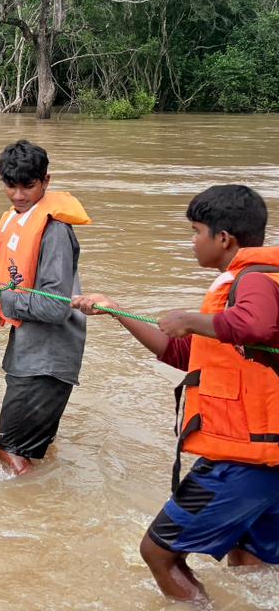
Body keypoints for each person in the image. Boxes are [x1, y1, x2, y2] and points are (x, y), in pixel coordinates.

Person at [73, 185, 279, 603]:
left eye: (195, 231)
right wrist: (114, 309)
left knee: (158, 552)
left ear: (224, 239)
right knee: (247, 557)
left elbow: (258, 325)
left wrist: (189, 318)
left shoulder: (254, 280)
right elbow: (182, 353)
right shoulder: (243, 285)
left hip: (241, 461)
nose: (192, 241)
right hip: (264, 460)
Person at [0, 139, 90, 475]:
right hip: (34, 352)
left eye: (28, 186)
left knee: (8, 450)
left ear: (46, 180)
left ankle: (29, 516)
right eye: (10, 186)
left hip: (45, 360)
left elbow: (54, 307)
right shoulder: (19, 218)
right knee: (35, 449)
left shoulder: (55, 231)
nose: (18, 195)